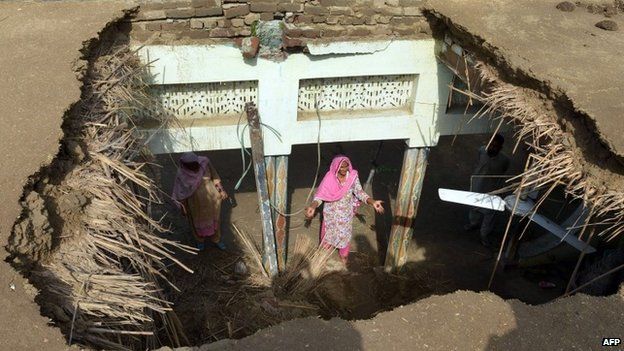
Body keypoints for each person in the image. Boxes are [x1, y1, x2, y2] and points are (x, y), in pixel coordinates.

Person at [305, 155, 384, 265]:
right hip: (330, 216)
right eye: (341, 167)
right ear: (336, 167)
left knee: (344, 236)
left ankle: (344, 258)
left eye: (346, 167)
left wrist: (373, 202)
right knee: (328, 235)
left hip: (345, 215)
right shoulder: (329, 178)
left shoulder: (352, 177)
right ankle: (324, 257)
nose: (344, 170)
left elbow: (359, 192)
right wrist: (313, 206)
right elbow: (320, 196)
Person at [172, 152, 228, 251]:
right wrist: (183, 207)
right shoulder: (181, 174)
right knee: (195, 222)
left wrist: (221, 190)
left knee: (215, 219)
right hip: (194, 202)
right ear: (185, 166)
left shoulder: (205, 163)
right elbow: (181, 193)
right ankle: (200, 241)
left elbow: (214, 176)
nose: (194, 167)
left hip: (212, 198)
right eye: (190, 166)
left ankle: (216, 239)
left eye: (195, 164)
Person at [465, 133, 510, 247]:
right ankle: (473, 223)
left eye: (495, 146)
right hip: (477, 185)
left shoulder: (504, 160)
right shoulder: (481, 151)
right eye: (490, 145)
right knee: (473, 206)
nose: (492, 148)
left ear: (500, 148)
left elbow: (503, 171)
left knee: (489, 213)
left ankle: (484, 235)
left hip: (492, 190)